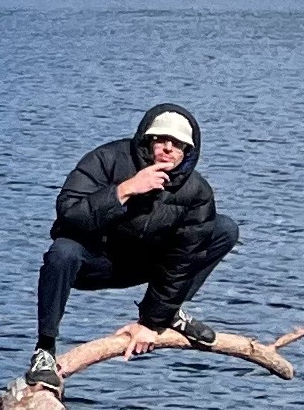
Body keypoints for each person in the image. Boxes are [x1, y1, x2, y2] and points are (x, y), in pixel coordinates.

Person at [27, 105, 238, 388]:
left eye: (177, 144)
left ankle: (168, 313)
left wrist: (149, 323)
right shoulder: (107, 159)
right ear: (148, 140)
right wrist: (124, 191)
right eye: (161, 139)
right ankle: (44, 350)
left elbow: (182, 260)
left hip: (143, 265)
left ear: (187, 151)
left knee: (223, 228)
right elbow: (69, 213)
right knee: (62, 252)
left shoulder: (197, 192)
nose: (167, 148)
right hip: (94, 263)